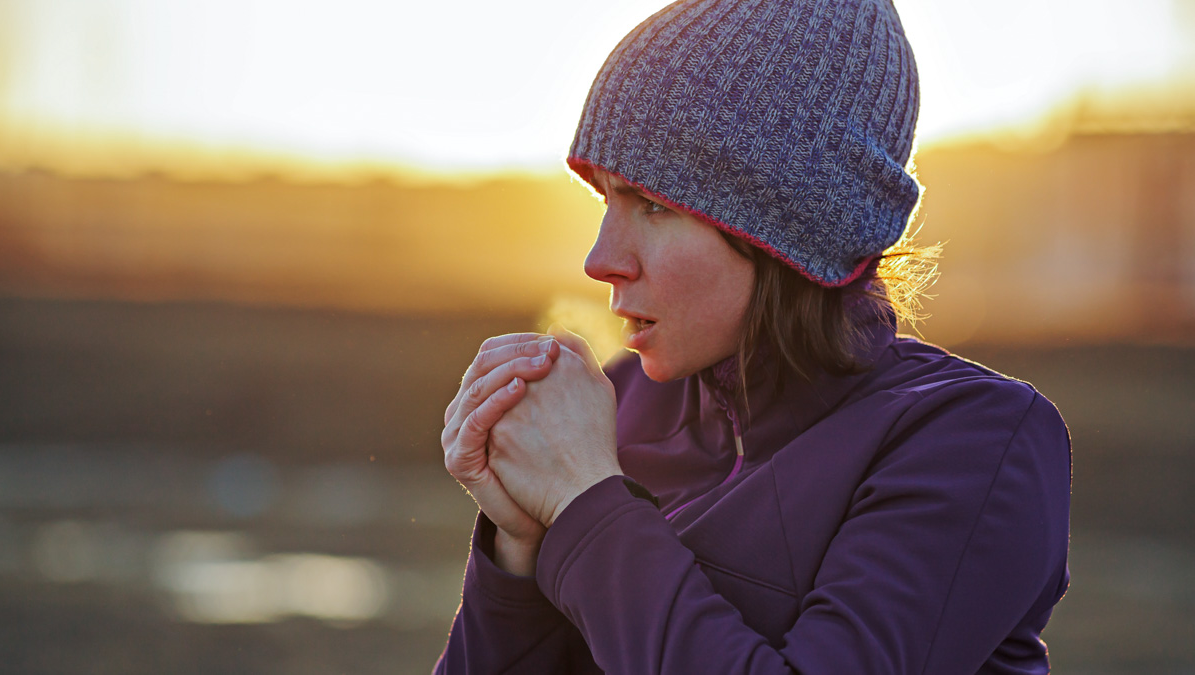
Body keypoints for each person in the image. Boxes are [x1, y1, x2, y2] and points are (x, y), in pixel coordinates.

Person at [436, 0, 1072, 672]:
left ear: (784, 228)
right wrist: (522, 545)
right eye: (606, 200)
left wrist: (585, 504)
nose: (601, 259)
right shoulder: (616, 405)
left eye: (655, 204)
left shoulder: (973, 439)